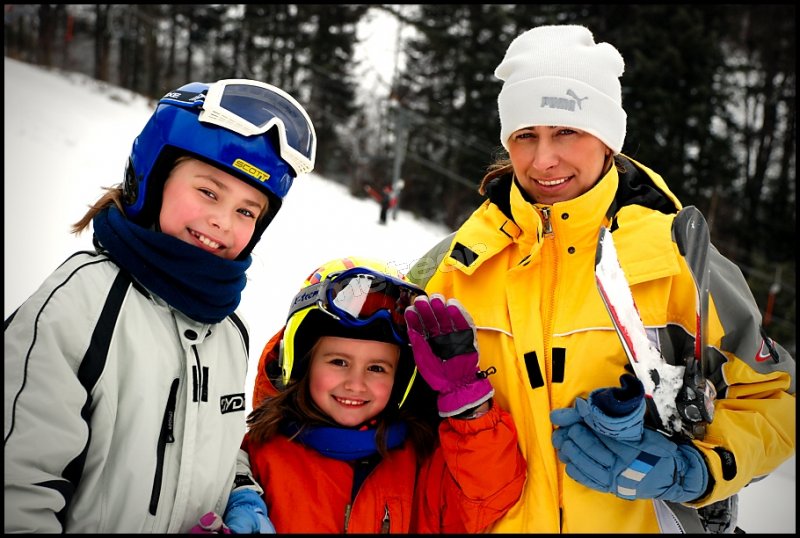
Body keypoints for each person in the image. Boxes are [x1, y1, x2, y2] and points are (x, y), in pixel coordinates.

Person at [407, 25, 795, 533]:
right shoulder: (455, 268)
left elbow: (773, 401)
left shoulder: (677, 258)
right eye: (525, 135)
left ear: (608, 139)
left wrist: (697, 469)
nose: (543, 159)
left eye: (566, 131)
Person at [4, 78, 317, 533]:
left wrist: (241, 490)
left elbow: (212, 446)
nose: (222, 221)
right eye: (208, 192)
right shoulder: (78, 304)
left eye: (247, 211)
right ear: (153, 179)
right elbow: (18, 491)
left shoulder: (230, 332)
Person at [243, 257, 527, 533]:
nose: (356, 383)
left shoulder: (421, 462)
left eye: (377, 368)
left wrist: (467, 403)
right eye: (339, 362)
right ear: (302, 363)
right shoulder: (260, 455)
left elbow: (488, 498)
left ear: (400, 379)